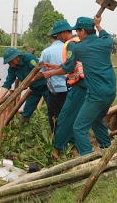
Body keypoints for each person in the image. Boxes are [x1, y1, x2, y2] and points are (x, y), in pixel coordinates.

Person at [46, 16, 115, 156]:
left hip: (96, 93)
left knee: (79, 127)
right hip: (111, 91)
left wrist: (51, 73)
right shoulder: (106, 43)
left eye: (78, 31)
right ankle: (107, 147)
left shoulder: (78, 48)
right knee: (96, 119)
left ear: (83, 31)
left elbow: (68, 68)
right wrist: (99, 25)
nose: (77, 34)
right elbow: (106, 35)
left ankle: (87, 158)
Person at [43, 20, 87, 158]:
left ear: (63, 33)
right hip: (83, 84)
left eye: (59, 35)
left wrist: (51, 73)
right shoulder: (79, 41)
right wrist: (56, 67)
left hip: (79, 86)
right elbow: (71, 65)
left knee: (64, 119)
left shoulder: (70, 44)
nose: (59, 38)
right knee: (74, 119)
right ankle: (76, 151)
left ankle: (57, 151)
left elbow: (68, 67)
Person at [2, 48, 50, 125]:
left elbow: (41, 71)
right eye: (8, 62)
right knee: (26, 112)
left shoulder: (29, 58)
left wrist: (29, 81)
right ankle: (22, 129)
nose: (10, 64)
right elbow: (7, 84)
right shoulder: (12, 69)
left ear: (16, 57)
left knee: (52, 110)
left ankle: (54, 131)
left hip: (47, 87)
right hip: (34, 90)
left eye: (10, 61)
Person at [39, 34, 69, 132]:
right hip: (71, 88)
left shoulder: (47, 52)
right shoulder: (69, 49)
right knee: (69, 114)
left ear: (51, 38)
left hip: (56, 90)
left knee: (54, 116)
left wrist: (30, 80)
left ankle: (57, 139)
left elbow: (40, 72)